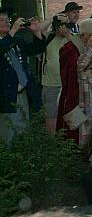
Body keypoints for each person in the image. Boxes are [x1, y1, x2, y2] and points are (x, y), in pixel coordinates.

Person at [57, 17, 92, 149]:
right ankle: (77, 151)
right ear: (85, 34)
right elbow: (78, 66)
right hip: (77, 91)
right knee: (80, 123)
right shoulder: (69, 47)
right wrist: (88, 48)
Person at [0, 8, 45, 144]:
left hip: (23, 93)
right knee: (7, 135)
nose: (7, 22)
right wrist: (13, 31)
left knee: (23, 132)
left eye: (8, 19)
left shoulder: (16, 40)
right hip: (5, 97)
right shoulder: (9, 39)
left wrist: (36, 32)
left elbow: (35, 49)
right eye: (2, 20)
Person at [40, 14, 72, 134]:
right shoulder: (49, 37)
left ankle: (65, 143)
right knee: (51, 115)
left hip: (68, 85)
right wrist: (53, 18)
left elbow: (80, 50)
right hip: (51, 84)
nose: (63, 28)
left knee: (67, 115)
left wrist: (68, 34)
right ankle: (52, 143)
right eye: (61, 25)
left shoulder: (71, 38)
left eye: (66, 25)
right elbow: (39, 28)